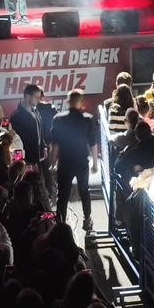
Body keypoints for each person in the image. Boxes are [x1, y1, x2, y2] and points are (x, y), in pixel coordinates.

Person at [51, 89, 100, 233]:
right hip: (81, 162)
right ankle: (87, 219)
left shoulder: (59, 119)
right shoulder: (88, 119)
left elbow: (55, 144)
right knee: (84, 191)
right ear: (81, 102)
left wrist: (52, 163)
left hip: (65, 162)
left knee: (63, 194)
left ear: (68, 101)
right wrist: (95, 163)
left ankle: (60, 224)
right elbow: (93, 143)